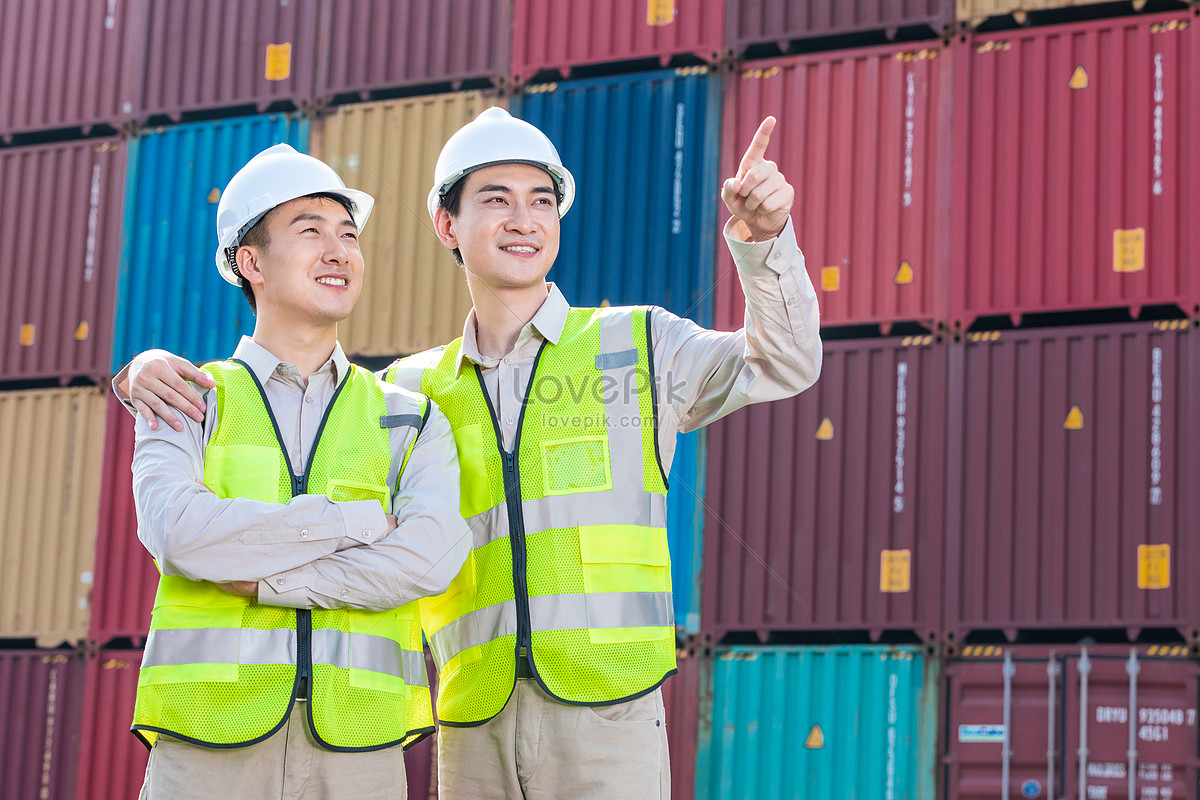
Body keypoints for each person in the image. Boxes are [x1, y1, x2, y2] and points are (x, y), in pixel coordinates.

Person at [122, 109, 821, 799]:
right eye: (497, 199)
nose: (524, 219)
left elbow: (786, 362)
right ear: (447, 225)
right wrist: (135, 372)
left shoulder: (637, 346)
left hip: (609, 707)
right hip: (471, 715)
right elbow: (275, 417)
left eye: (541, 201)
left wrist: (766, 242)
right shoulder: (409, 390)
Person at [126, 144, 469, 800]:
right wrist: (355, 521)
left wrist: (266, 581)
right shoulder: (189, 394)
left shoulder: (410, 416)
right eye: (311, 231)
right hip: (206, 741)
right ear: (249, 261)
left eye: (349, 235)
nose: (339, 251)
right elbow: (177, 532)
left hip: (359, 745)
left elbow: (428, 562)